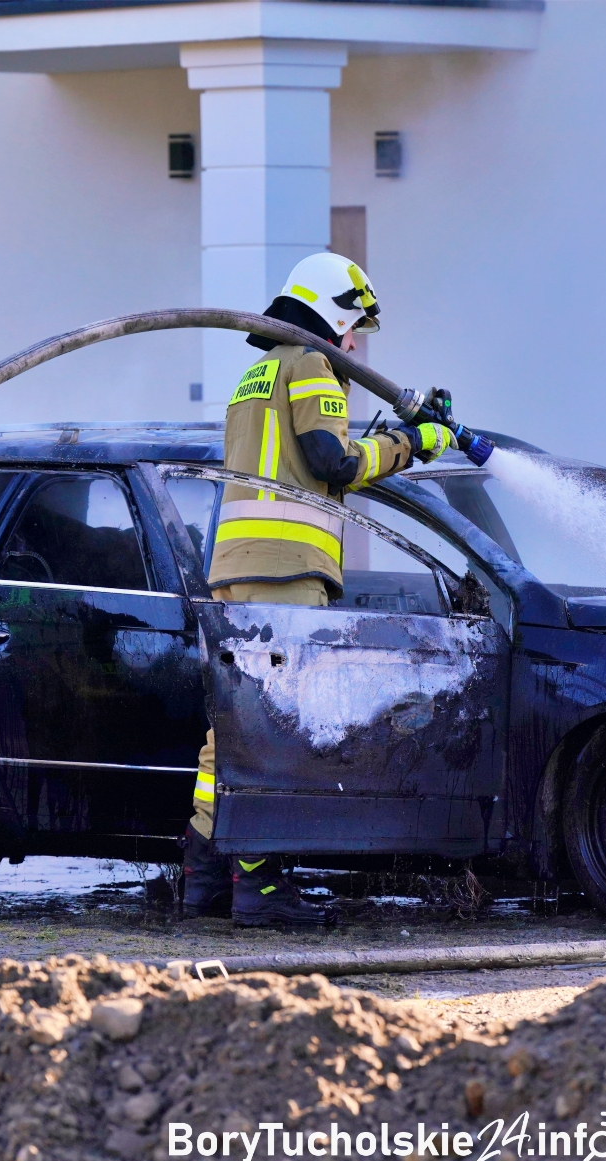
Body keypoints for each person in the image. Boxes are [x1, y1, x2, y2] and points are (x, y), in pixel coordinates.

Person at [182, 252, 456, 928]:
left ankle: (205, 879)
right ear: (331, 314)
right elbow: (332, 463)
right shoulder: (311, 365)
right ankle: (263, 891)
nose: (356, 344)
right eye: (354, 326)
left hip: (238, 569)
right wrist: (412, 443)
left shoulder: (258, 372)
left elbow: (298, 461)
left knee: (230, 736)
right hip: (285, 575)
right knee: (276, 729)